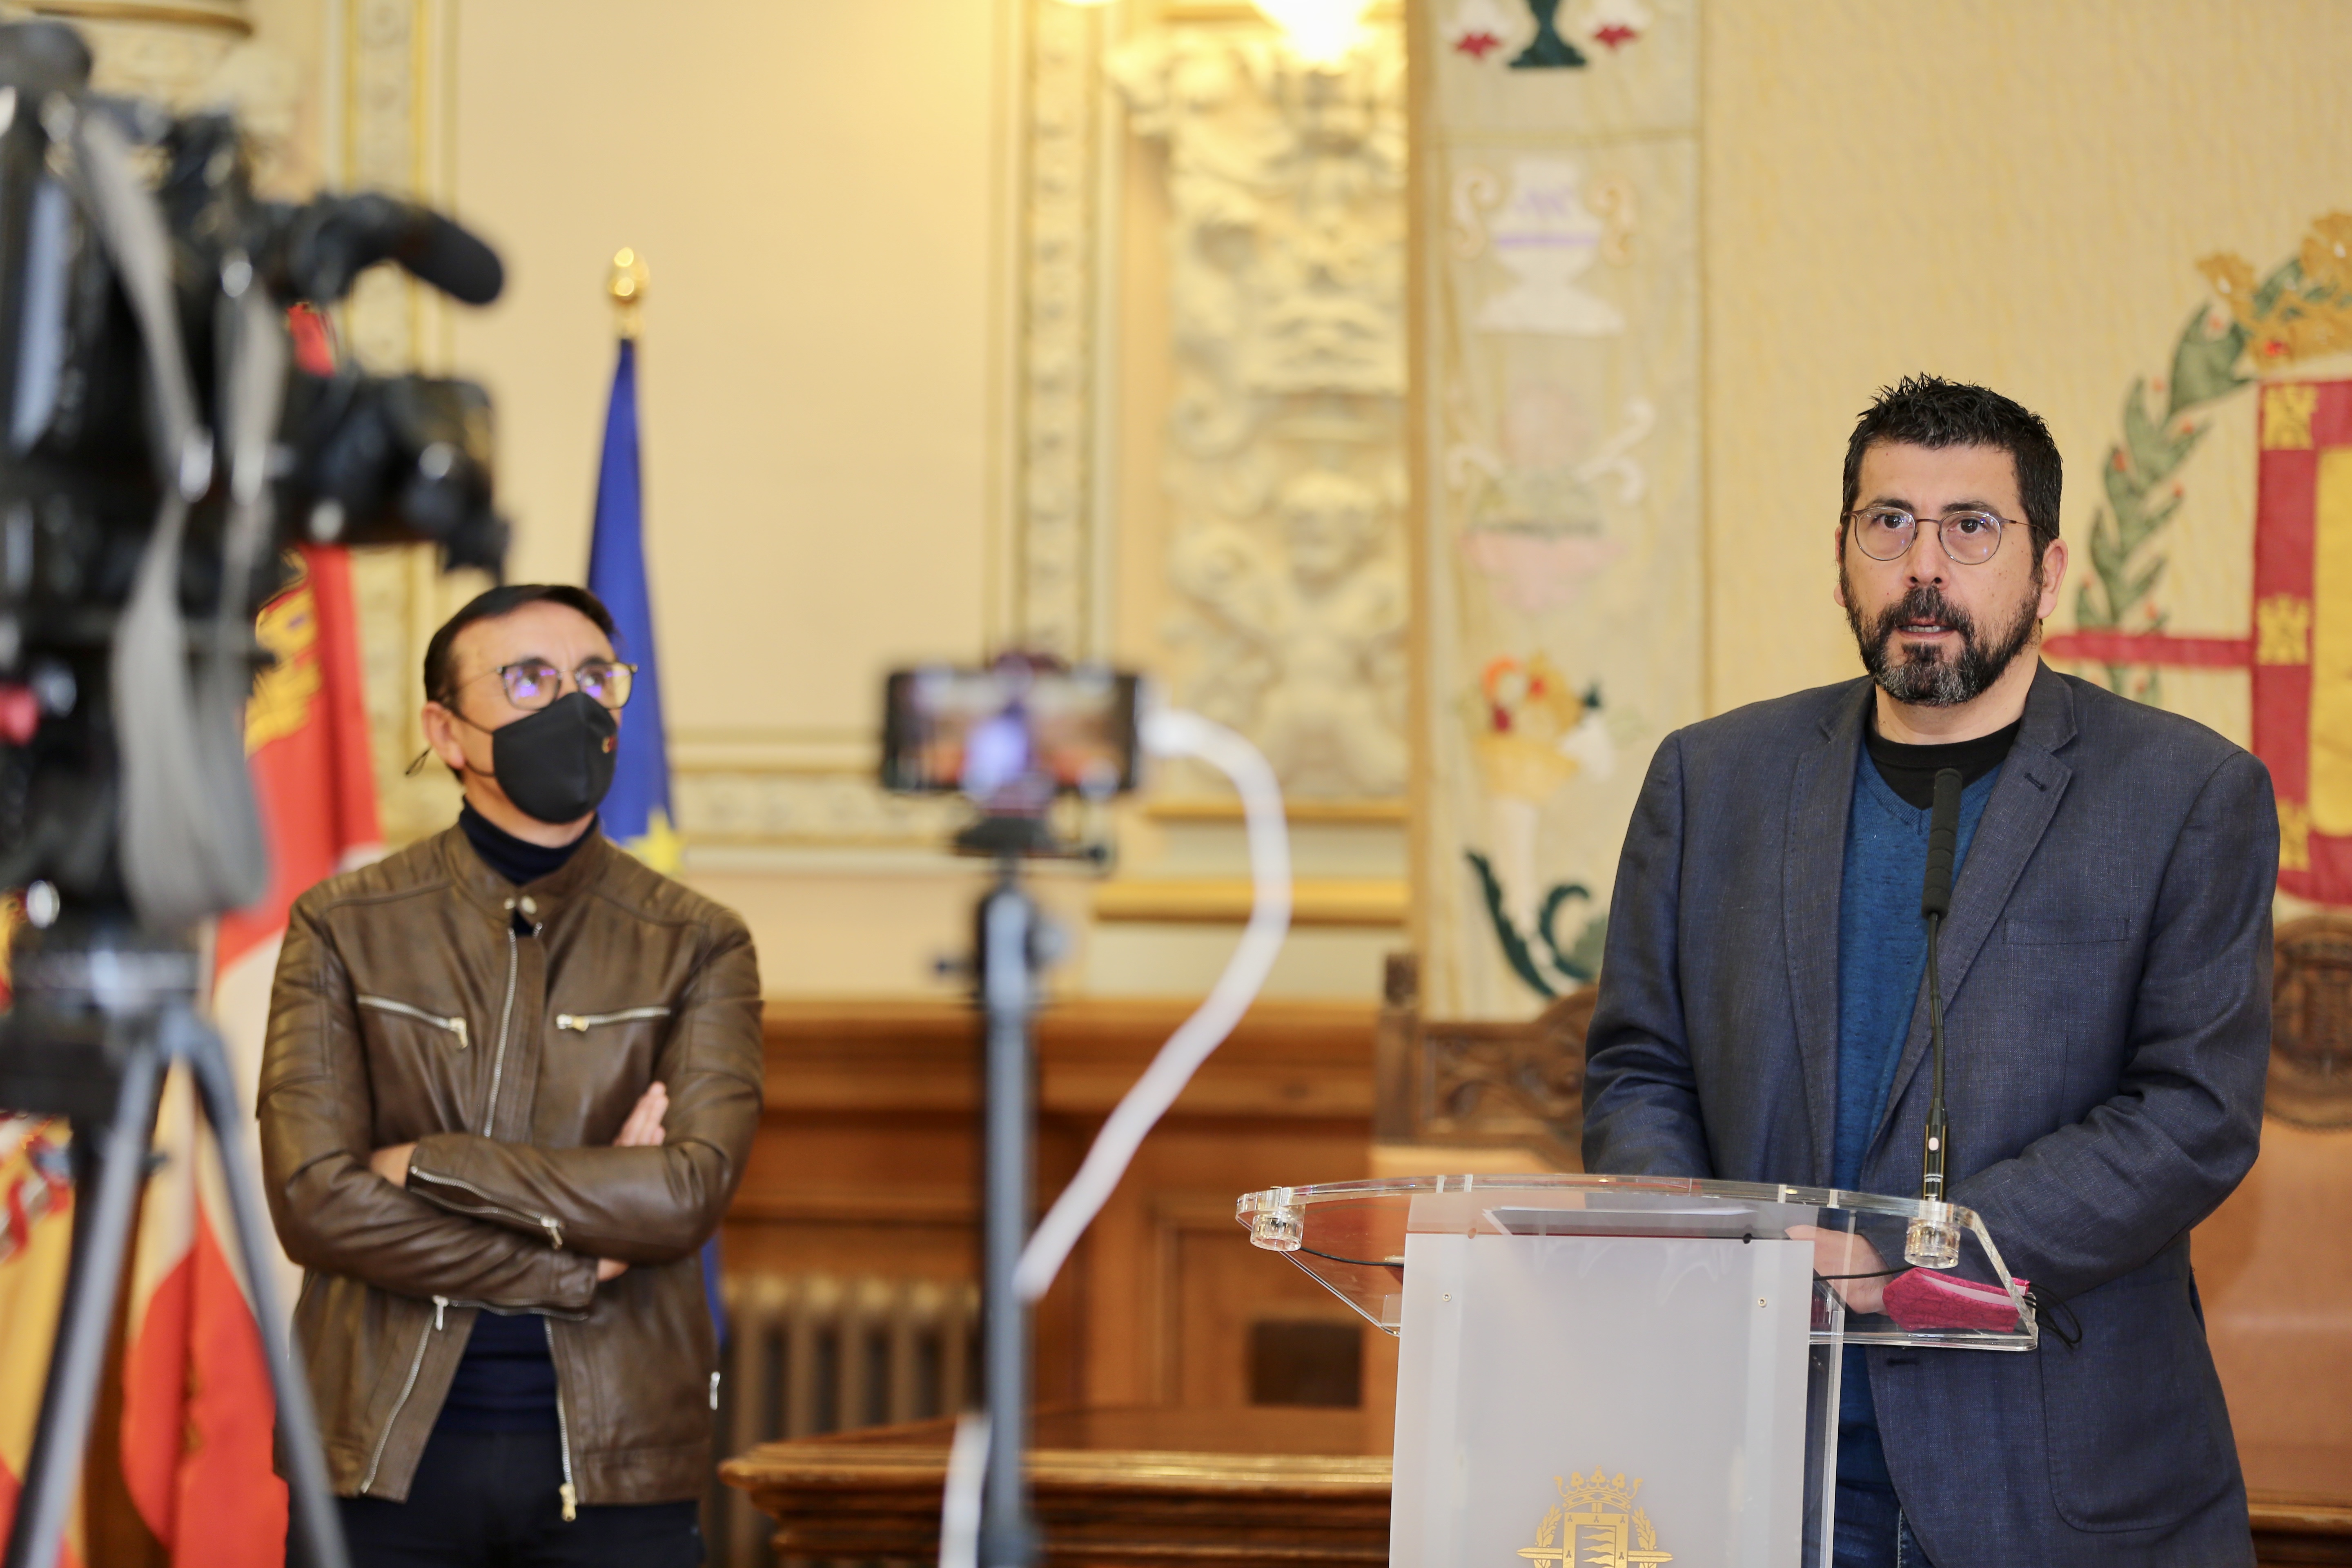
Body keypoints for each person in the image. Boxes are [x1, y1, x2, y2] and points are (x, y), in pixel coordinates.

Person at [1581, 376, 2275, 1567]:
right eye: (1887, 522)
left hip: (2061, 1481)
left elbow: (2193, 1115)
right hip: (1765, 1464)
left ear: (2048, 572)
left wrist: (1923, 1244)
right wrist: (1711, 1253)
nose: (1925, 569)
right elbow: (1639, 1070)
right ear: (1843, 556)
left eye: (1972, 528)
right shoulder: (1713, 781)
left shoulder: (2184, 795)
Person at [260, 584, 763, 1567]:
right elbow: (314, 1201)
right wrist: (572, 1261)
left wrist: (426, 1165)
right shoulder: (341, 925)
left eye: (593, 679)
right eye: (528, 679)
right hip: (383, 1454)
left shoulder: (699, 941)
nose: (572, 705)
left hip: (618, 1460)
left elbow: (684, 1192)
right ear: (446, 733)